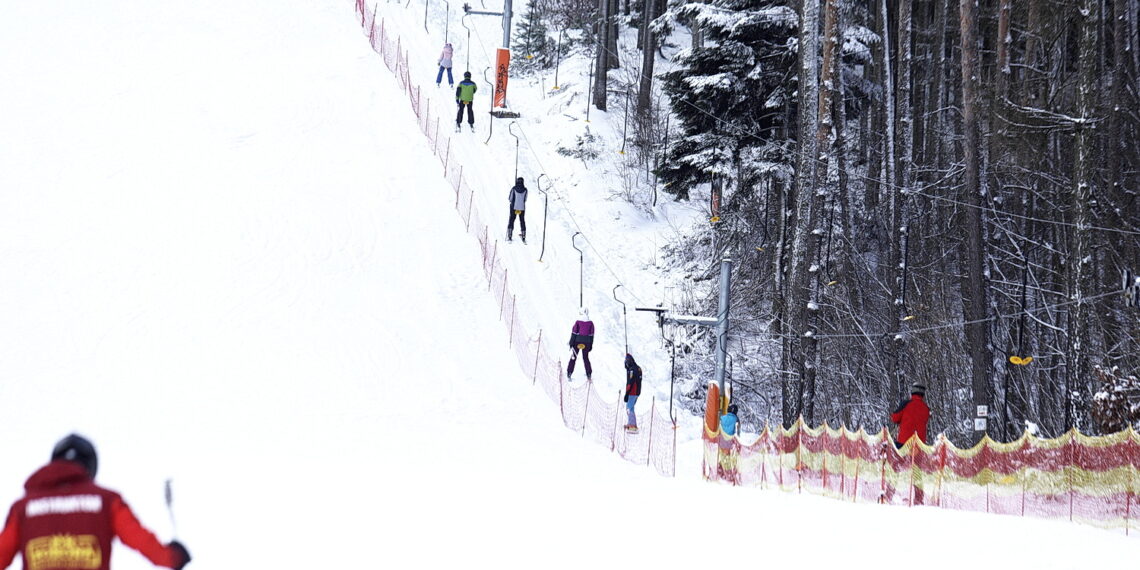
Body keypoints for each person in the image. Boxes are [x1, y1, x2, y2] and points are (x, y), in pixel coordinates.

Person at [0, 434, 191, 570]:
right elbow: (139, 539)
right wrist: (173, 556)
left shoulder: (23, 508)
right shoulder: (106, 501)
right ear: (90, 466)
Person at [890, 382, 930, 448]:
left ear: (912, 392)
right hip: (920, 445)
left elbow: (895, 418)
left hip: (904, 442)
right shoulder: (926, 408)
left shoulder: (905, 404)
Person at [566, 307, 594, 381]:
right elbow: (591, 335)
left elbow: (574, 333)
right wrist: (590, 345)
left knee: (574, 356)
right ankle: (589, 373)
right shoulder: (590, 323)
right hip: (587, 342)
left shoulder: (578, 322)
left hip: (577, 341)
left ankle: (569, 372)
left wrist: (571, 343)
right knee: (585, 357)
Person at [623, 353, 642, 432]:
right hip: (637, 391)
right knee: (631, 408)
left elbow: (631, 382)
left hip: (632, 391)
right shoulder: (637, 368)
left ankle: (632, 425)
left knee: (629, 408)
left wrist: (627, 393)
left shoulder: (632, 370)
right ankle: (631, 423)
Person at [506, 177, 528, 243]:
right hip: (522, 208)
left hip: (514, 207)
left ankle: (510, 235)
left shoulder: (514, 188)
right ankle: (523, 236)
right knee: (522, 221)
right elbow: (525, 199)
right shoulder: (525, 190)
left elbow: (510, 198)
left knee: (512, 220)